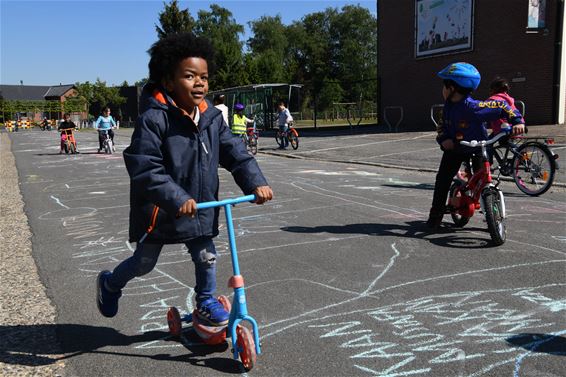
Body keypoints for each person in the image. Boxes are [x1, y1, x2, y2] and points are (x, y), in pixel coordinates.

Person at [95, 33, 273, 326]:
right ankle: (111, 284)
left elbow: (236, 154)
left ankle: (204, 300)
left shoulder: (212, 118)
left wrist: (256, 183)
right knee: (143, 262)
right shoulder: (154, 120)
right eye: (190, 76)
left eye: (204, 77)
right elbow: (145, 168)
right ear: (168, 82)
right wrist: (176, 198)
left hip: (200, 206)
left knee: (206, 256)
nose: (200, 83)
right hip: (161, 210)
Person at [426, 62, 525, 229]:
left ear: (452, 88)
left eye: (444, 86)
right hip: (455, 149)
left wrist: (517, 121)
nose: (442, 90)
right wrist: (444, 140)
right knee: (442, 179)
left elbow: (501, 105)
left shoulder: (473, 107)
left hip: (478, 146)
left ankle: (490, 211)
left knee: (484, 177)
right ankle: (436, 214)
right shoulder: (447, 109)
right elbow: (441, 126)